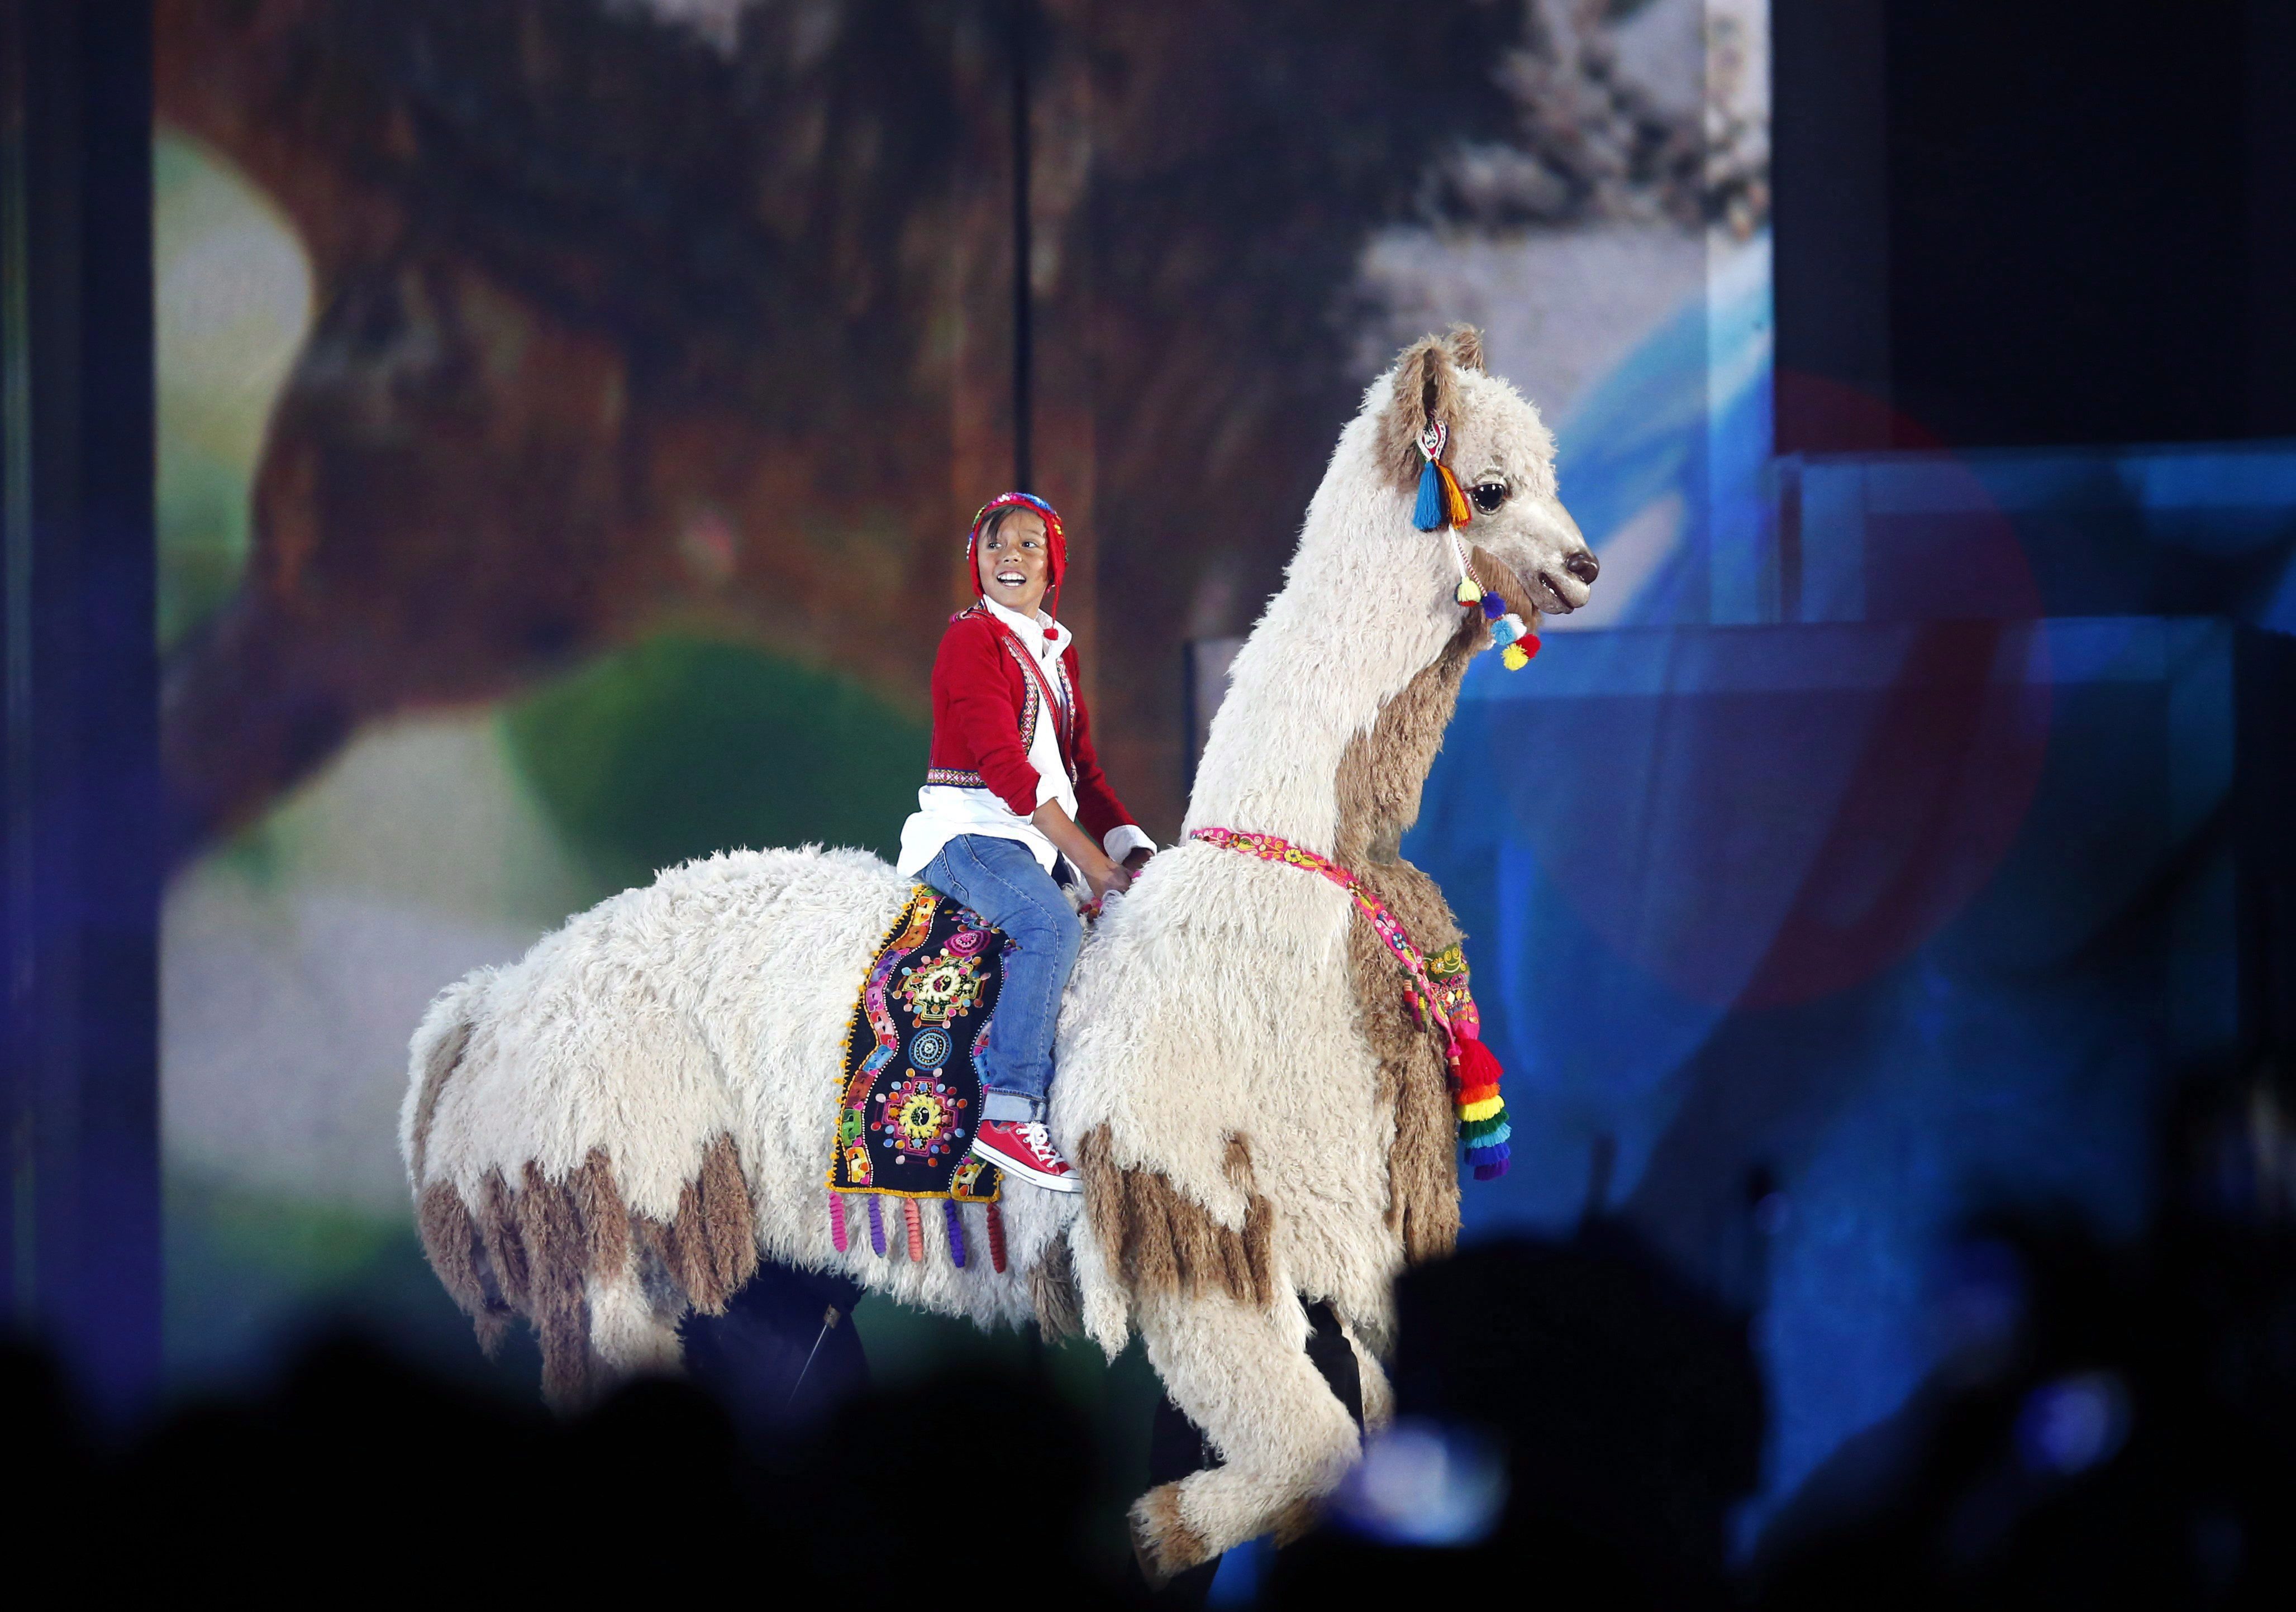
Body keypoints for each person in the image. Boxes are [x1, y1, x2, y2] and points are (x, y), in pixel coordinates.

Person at [895, 492, 1154, 1191]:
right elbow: (1005, 770)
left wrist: (1133, 849)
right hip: (972, 834)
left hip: (1031, 839)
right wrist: (1092, 863)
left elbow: (1083, 774)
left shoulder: (1052, 653)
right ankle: (1009, 1111)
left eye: (1029, 543)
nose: (1009, 553)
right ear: (976, 562)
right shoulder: (970, 639)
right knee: (1049, 928)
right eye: (994, 543)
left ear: (1053, 564)